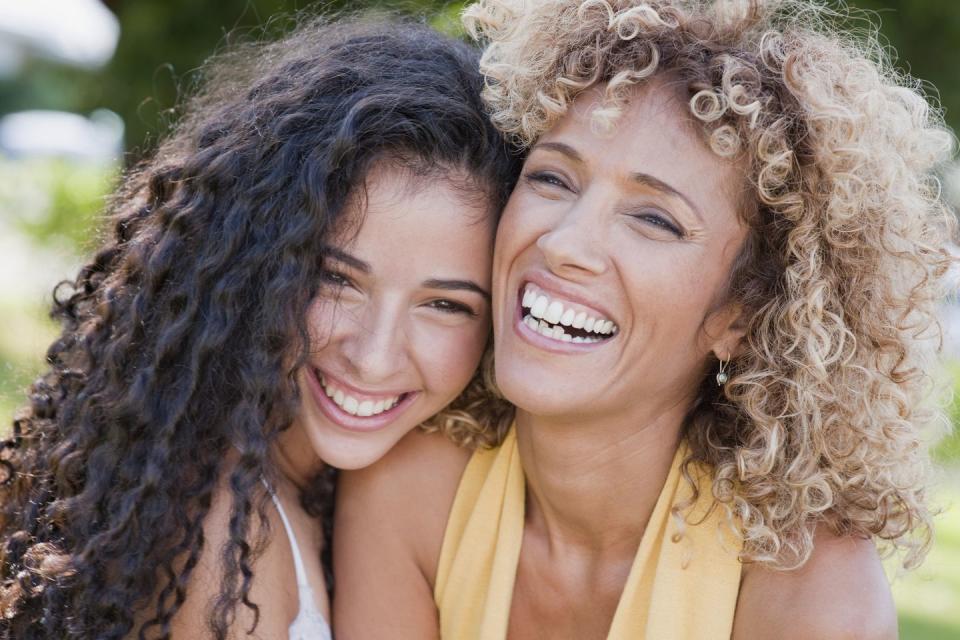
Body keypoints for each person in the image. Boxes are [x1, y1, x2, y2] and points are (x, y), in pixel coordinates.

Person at [333, 1, 955, 638]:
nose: (564, 243)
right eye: (552, 178)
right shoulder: (409, 494)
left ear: (743, 316)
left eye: (655, 219)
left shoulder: (810, 593)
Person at [0, 15, 519, 640]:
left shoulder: (311, 491)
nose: (376, 357)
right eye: (338, 279)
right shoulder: (214, 531)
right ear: (255, 263)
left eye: (446, 305)